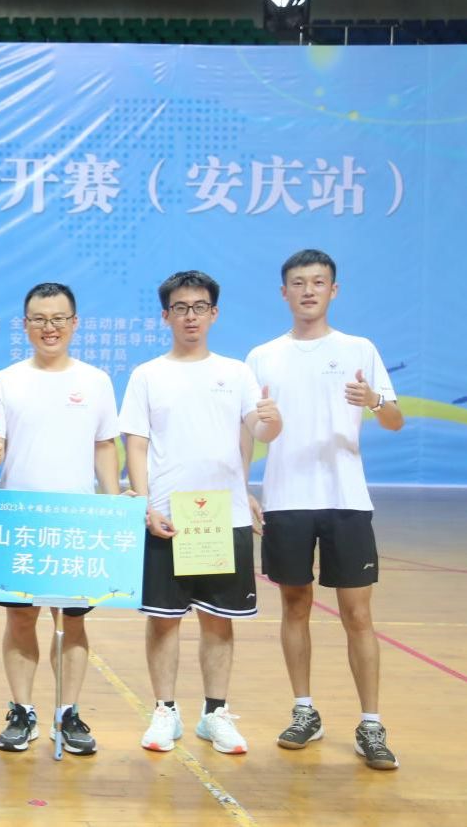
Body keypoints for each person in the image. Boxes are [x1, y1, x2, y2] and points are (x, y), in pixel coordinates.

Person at [244, 249, 404, 770]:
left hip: (346, 499)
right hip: (286, 499)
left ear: (333, 290)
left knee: (358, 614)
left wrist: (374, 400)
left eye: (318, 282)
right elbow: (247, 430)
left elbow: (395, 420)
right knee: (295, 607)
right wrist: (243, 487)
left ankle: (371, 725)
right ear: (284, 292)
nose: (308, 290)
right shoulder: (262, 356)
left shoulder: (359, 348)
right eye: (298, 282)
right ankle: (304, 711)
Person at [119, 270, 281, 756]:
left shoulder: (236, 373)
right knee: (164, 619)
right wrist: (146, 504)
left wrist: (272, 422)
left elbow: (259, 430)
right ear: (165, 315)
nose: (190, 316)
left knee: (218, 620)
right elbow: (136, 443)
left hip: (222, 517)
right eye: (181, 308)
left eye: (199, 307)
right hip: (169, 516)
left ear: (214, 313)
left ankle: (215, 714)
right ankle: (165, 711)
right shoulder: (148, 374)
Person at [0, 283, 119, 756]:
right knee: (21, 619)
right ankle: (22, 710)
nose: (49, 327)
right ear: (25, 326)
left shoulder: (96, 380)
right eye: (39, 319)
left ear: (75, 323)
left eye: (58, 318)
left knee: (71, 622)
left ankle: (68, 713)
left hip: (76, 522)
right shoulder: (4, 381)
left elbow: (104, 445)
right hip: (21, 521)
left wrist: (113, 504)